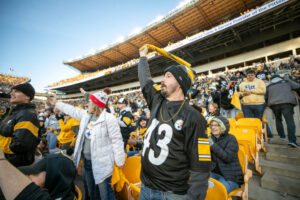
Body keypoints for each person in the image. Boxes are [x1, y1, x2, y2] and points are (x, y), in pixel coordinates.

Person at [138, 46, 210, 200]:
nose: (162, 80)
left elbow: (201, 165)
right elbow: (145, 81)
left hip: (170, 194)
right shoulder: (157, 100)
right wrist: (143, 57)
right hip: (145, 187)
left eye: (168, 76)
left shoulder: (194, 117)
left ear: (180, 83)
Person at [47, 89, 125, 200]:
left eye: (90, 102)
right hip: (87, 162)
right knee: (92, 192)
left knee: (105, 194)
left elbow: (117, 140)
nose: (87, 104)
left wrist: (120, 161)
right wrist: (57, 103)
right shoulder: (86, 115)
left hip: (103, 163)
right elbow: (72, 110)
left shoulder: (109, 118)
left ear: (95, 104)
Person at [0, 82, 40, 167]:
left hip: (14, 163)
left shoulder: (27, 114)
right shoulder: (14, 112)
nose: (12, 93)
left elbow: (20, 144)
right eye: (12, 91)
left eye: (17, 91)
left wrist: (1, 147)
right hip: (6, 158)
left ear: (27, 97)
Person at [209, 116, 244, 193]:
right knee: (200, 186)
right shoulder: (211, 138)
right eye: (212, 125)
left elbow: (228, 158)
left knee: (218, 192)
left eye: (217, 125)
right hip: (214, 173)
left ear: (223, 126)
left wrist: (212, 145)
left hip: (230, 176)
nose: (213, 127)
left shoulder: (231, 139)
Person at [265, 74, 300, 148]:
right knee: (289, 121)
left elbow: (265, 97)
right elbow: (298, 86)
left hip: (274, 105)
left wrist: (267, 104)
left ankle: (282, 136)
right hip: (287, 103)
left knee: (278, 120)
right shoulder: (287, 82)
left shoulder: (268, 86)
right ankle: (292, 141)